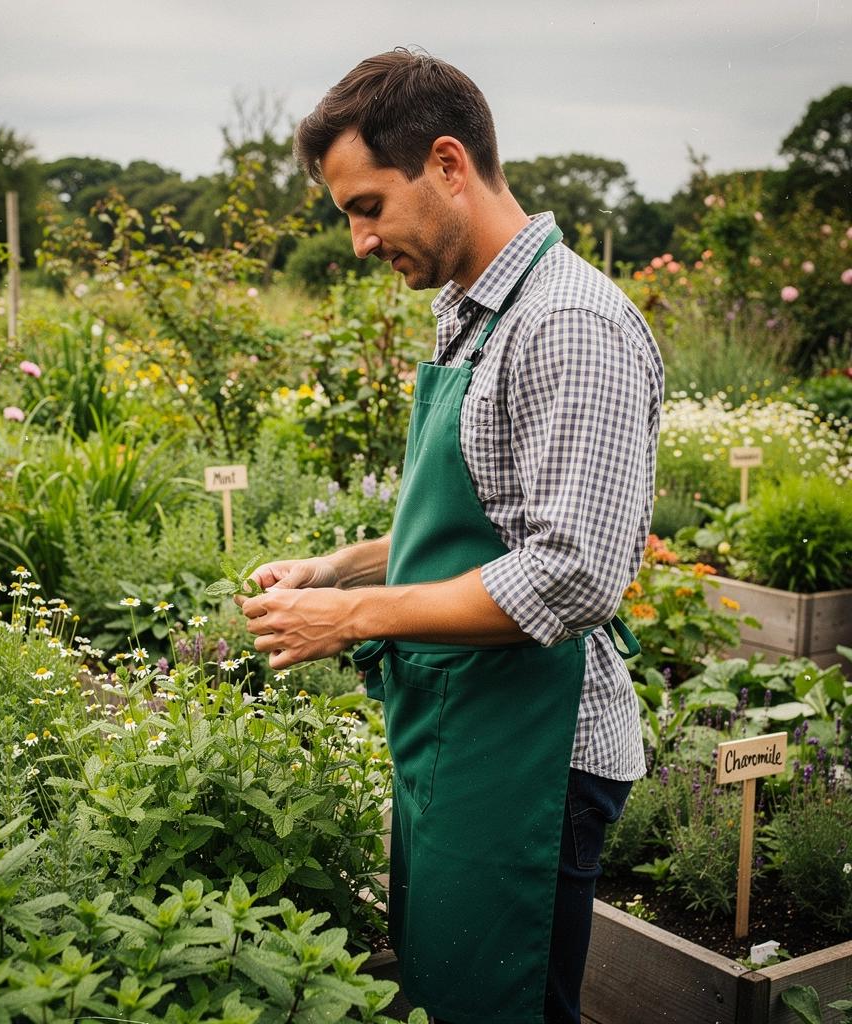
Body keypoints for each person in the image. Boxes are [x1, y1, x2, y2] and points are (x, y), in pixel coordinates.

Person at [238, 48, 663, 1024]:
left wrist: (352, 620)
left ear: (445, 163)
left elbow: (572, 575)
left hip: (538, 752)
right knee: (449, 995)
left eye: (367, 206)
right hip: (468, 724)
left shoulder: (568, 323)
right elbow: (488, 527)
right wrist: (338, 571)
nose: (357, 241)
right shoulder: (474, 315)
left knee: (505, 1005)